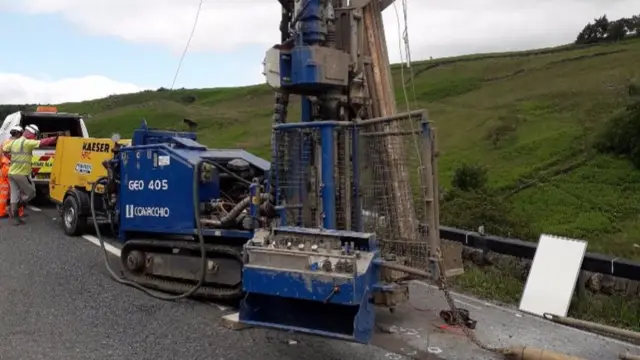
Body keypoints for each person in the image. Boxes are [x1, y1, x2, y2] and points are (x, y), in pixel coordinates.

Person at [1, 124, 57, 225]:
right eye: (35, 135)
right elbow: (43, 142)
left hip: (11, 173)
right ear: (31, 134)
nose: (35, 137)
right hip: (21, 174)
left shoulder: (14, 142)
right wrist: (55, 138)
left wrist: (9, 157)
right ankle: (15, 207)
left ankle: (15, 218)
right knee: (31, 193)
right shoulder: (27, 143)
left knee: (15, 195)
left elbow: (4, 148)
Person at [0, 126, 26, 219]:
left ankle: (1, 212)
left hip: (4, 169)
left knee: (3, 192)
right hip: (14, 169)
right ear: (18, 133)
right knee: (17, 191)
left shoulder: (4, 143)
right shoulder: (18, 144)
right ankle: (19, 213)